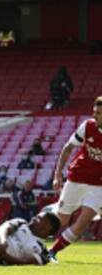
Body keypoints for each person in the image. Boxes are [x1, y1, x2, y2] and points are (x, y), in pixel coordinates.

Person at [47, 97, 102, 261]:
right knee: (61, 220)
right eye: (94, 111)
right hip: (77, 178)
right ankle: (48, 213)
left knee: (82, 223)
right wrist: (58, 174)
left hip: (98, 185)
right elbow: (68, 147)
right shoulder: (88, 126)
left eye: (98, 113)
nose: (95, 115)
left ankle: (52, 252)